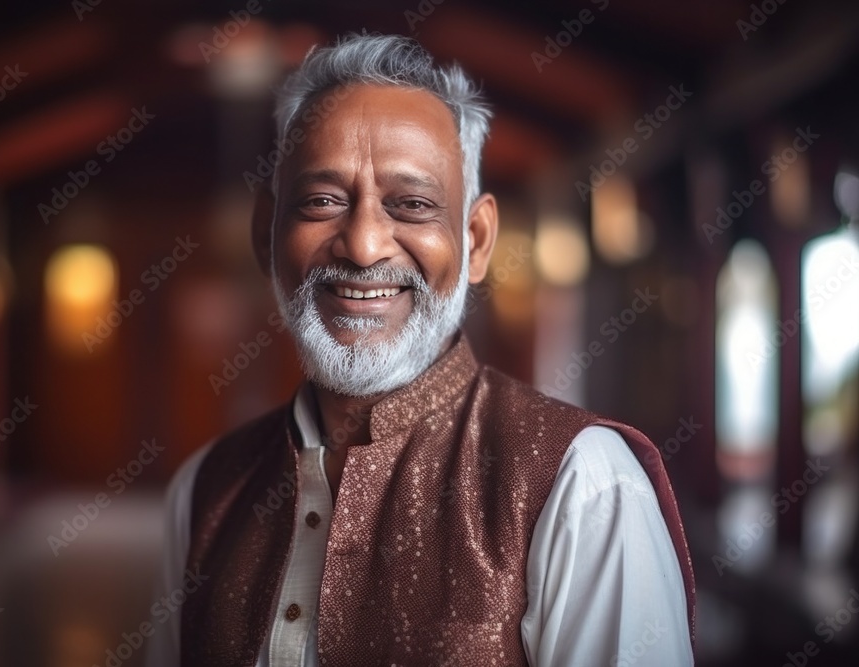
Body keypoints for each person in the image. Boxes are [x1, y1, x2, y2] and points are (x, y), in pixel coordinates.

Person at [147, 33, 695, 666]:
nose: (364, 245)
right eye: (323, 201)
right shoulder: (205, 491)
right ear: (264, 233)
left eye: (411, 205)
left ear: (477, 240)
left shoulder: (582, 484)